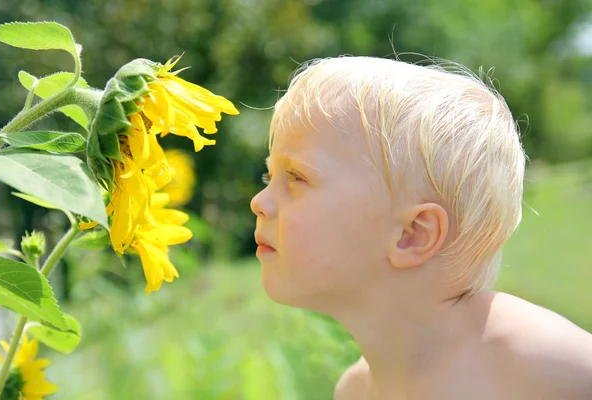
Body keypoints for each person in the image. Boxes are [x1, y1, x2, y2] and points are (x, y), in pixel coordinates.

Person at [250, 56, 592, 399]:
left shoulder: (542, 363)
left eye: (296, 177)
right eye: (270, 175)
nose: (258, 202)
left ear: (413, 234)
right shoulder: (355, 391)